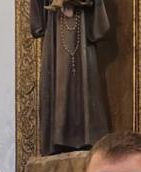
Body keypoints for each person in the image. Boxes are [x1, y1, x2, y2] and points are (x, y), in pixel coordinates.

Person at [31, 0, 110, 155]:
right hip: (55, 26)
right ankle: (57, 139)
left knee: (85, 80)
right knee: (59, 80)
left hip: (81, 25)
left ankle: (88, 136)